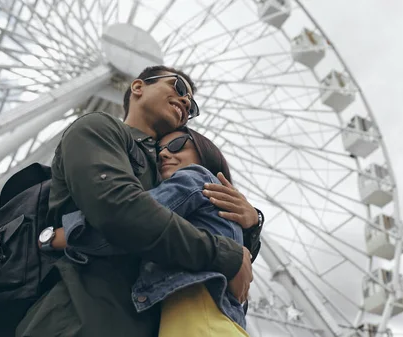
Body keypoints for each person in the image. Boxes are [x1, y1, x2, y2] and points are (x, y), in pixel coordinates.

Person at [16, 66, 262, 337]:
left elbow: (224, 263)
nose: (185, 101)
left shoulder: (167, 177)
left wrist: (251, 224)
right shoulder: (99, 128)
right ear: (137, 87)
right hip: (80, 317)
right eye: (178, 88)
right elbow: (122, 213)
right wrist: (223, 254)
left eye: (191, 106)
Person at [50, 127, 255, 336]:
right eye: (158, 151)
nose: (164, 154)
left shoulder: (195, 177)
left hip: (197, 316)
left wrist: (61, 236)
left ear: (205, 151)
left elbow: (130, 221)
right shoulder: (221, 212)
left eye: (177, 145)